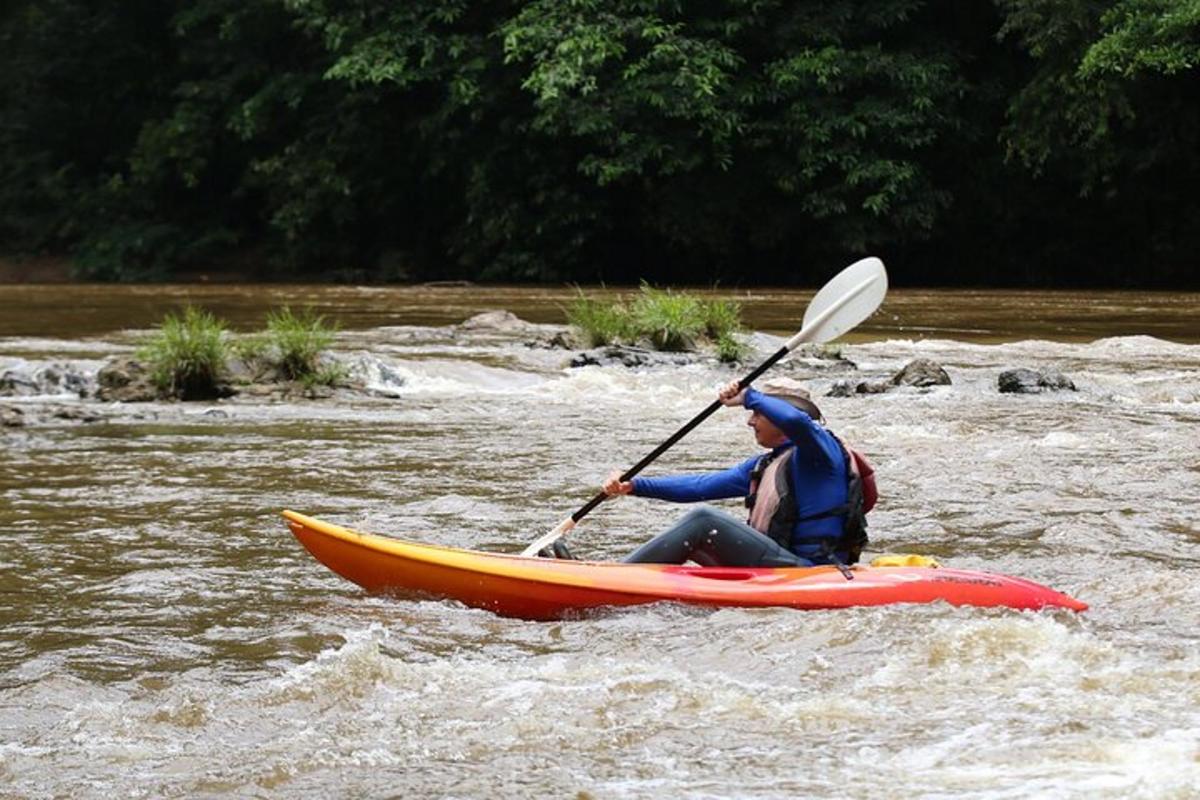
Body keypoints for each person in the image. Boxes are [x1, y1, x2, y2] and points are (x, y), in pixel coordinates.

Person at [598, 377, 866, 567]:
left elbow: (796, 422)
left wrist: (749, 396)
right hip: (781, 562)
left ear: (779, 414)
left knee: (704, 521)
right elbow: (699, 487)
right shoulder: (764, 465)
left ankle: (615, 578)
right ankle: (617, 576)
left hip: (809, 569)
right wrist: (634, 486)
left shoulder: (821, 453)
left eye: (757, 413)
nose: (750, 421)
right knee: (702, 522)